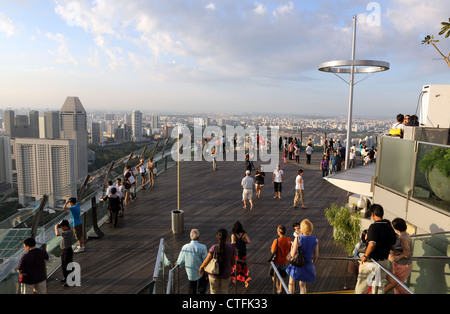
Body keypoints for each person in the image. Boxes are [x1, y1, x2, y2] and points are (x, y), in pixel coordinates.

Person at [354, 204, 397, 294]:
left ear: (373, 214)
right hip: (383, 262)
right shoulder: (389, 228)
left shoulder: (373, 227)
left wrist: (365, 256)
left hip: (371, 262)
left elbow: (372, 244)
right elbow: (394, 243)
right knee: (378, 288)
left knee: (361, 287)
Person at [286, 219, 318, 294]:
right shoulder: (315, 240)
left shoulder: (298, 238)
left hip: (297, 265)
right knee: (303, 285)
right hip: (308, 264)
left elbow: (293, 254)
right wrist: (313, 263)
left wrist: (292, 246)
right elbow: (316, 256)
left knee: (291, 282)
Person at [199, 229, 236, 294]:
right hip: (226, 274)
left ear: (217, 237)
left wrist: (201, 268)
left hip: (214, 274)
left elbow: (206, 261)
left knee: (213, 291)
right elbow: (233, 261)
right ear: (227, 237)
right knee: (224, 291)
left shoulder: (214, 247)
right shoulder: (232, 247)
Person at [385, 218, 413, 294]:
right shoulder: (404, 236)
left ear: (396, 229)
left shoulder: (403, 238)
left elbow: (407, 253)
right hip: (400, 264)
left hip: (403, 265)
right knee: (397, 285)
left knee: (397, 285)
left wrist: (397, 257)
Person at [176, 229, 208, 294]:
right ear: (198, 237)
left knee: (191, 289)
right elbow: (205, 261)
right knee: (203, 285)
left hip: (190, 273)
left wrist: (177, 264)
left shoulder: (185, 247)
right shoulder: (203, 247)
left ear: (190, 237)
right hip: (201, 271)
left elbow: (179, 261)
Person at [270, 225, 292, 294]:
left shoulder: (276, 241)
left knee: (273, 275)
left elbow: (273, 251)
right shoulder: (289, 239)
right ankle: (281, 286)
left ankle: (278, 288)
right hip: (284, 261)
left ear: (279, 232)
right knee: (282, 275)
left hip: (276, 261)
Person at [231, 221, 251, 288]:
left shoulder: (233, 235)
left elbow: (232, 244)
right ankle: (246, 280)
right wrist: (243, 241)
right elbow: (249, 241)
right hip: (243, 252)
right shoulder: (244, 234)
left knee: (235, 266)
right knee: (243, 266)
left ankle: (235, 279)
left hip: (236, 253)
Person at [54, 219, 74, 287]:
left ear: (65, 226)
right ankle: (66, 277)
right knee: (63, 265)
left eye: (62, 227)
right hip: (64, 250)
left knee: (67, 265)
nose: (61, 229)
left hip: (67, 250)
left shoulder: (68, 232)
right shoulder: (67, 231)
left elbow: (57, 234)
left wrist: (56, 228)